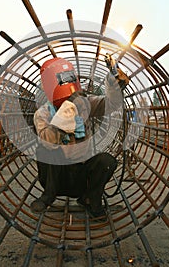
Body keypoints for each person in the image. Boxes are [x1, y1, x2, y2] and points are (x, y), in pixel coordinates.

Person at [30, 56, 129, 220]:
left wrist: (114, 86)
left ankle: (90, 199)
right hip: (56, 177)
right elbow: (48, 140)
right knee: (45, 149)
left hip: (81, 176)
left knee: (106, 161)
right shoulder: (43, 113)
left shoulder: (84, 103)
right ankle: (48, 195)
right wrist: (65, 115)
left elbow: (110, 104)